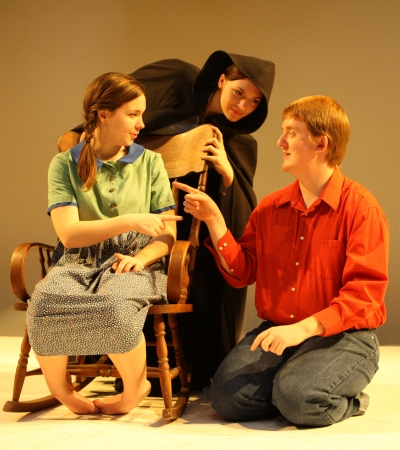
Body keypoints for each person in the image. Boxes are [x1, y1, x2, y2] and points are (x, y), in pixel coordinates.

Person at [173, 95, 389, 426]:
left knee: (299, 400)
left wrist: (302, 330)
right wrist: (217, 223)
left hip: (344, 335)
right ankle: (291, 388)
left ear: (320, 143)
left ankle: (346, 399)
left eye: (290, 132)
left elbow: (365, 295)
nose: (280, 141)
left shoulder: (361, 208)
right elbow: (243, 272)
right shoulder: (272, 207)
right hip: (280, 330)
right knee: (225, 399)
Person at [72, 51, 276, 390]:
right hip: (132, 211)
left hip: (185, 230)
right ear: (222, 80)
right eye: (239, 92)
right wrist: (89, 133)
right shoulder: (176, 78)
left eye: (254, 102)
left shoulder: (239, 142)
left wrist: (227, 178)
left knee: (199, 264)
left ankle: (188, 371)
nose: (242, 105)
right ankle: (117, 362)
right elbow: (116, 106)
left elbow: (243, 221)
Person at [26, 72, 182, 415]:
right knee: (45, 300)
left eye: (142, 113)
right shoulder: (65, 164)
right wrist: (129, 220)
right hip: (77, 260)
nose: (141, 123)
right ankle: (63, 390)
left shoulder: (150, 162)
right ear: (104, 114)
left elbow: (167, 234)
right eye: (133, 113)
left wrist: (142, 257)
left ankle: (135, 387)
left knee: (114, 302)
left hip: (133, 260)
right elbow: (69, 234)